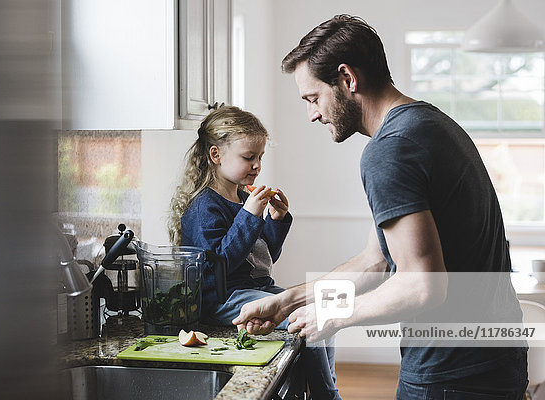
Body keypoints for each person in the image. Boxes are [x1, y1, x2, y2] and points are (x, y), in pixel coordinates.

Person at [232, 14, 529, 399]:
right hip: (493, 361)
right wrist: (288, 301)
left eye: (313, 98)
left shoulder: (390, 149)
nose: (313, 114)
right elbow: (374, 262)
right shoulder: (429, 125)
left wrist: (333, 316)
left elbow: (423, 285)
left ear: (347, 79)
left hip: (451, 375)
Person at [168, 105, 341, 400]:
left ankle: (326, 389)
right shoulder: (204, 207)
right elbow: (217, 265)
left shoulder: (243, 196)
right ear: (215, 155)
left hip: (255, 289)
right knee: (305, 317)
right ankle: (327, 395)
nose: (257, 165)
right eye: (248, 157)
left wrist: (276, 219)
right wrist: (249, 216)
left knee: (324, 311)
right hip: (223, 299)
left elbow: (263, 255)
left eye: (260, 157)